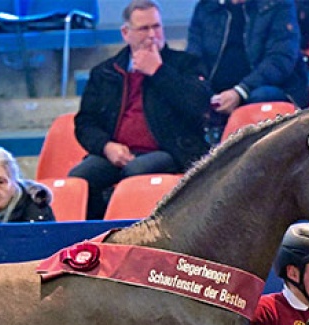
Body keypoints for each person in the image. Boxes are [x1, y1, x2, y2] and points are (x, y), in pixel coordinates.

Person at [69, 0, 212, 221]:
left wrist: (158, 71)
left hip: (171, 151)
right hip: (116, 153)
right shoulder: (105, 72)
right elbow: (85, 123)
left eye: (156, 26)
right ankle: (93, 236)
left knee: (136, 172)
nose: (152, 35)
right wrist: (106, 147)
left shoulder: (186, 64)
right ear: (126, 33)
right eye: (144, 29)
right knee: (80, 178)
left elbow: (198, 105)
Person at [187, 0, 309, 141]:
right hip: (217, 91)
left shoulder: (278, 4)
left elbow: (280, 59)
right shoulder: (206, 7)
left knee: (261, 97)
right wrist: (201, 88)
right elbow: (193, 59)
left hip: (266, 87)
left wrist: (240, 91)